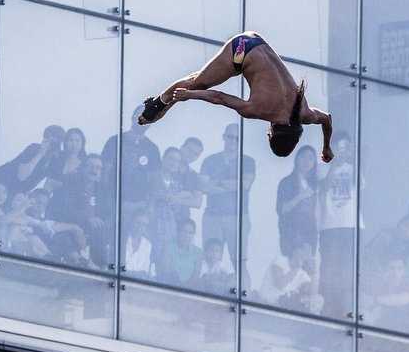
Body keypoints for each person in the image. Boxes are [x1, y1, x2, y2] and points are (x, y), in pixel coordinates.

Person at [138, 31, 334, 162]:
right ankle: (159, 102)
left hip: (255, 40)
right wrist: (190, 95)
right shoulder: (257, 110)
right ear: (272, 133)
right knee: (198, 83)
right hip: (240, 52)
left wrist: (326, 147)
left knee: (199, 81)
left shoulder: (305, 113)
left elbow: (327, 119)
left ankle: (164, 104)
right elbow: (219, 97)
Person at [200, 123, 255, 274]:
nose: (233, 141)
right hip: (213, 217)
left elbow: (245, 184)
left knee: (239, 262)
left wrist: (217, 182)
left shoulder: (248, 161)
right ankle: (207, 291)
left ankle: (245, 292)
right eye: (230, 137)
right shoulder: (210, 160)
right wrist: (232, 184)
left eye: (237, 138)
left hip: (237, 218)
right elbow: (204, 187)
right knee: (209, 259)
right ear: (224, 137)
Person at [47, 154, 111, 268]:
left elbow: (105, 214)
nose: (94, 171)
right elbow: (63, 211)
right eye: (90, 166)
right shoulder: (69, 184)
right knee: (66, 244)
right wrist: (87, 219)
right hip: (67, 229)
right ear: (82, 168)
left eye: (98, 168)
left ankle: (101, 268)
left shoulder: (102, 191)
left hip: (91, 233)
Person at [316, 131, 355, 317]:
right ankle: (327, 303)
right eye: (339, 148)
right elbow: (323, 188)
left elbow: (360, 185)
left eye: (346, 148)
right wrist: (334, 166)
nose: (343, 152)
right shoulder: (323, 167)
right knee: (329, 265)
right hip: (330, 224)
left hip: (350, 224)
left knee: (347, 266)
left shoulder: (354, 168)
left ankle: (344, 305)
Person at [100, 106, 161, 223]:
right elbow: (104, 173)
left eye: (149, 116)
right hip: (115, 204)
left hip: (140, 208)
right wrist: (108, 201)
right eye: (140, 114)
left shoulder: (152, 149)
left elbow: (155, 182)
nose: (144, 118)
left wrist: (148, 206)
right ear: (132, 117)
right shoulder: (115, 141)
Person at [149, 146, 202, 259]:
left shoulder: (176, 184)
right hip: (152, 225)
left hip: (170, 229)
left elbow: (190, 200)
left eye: (177, 161)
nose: (174, 163)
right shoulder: (151, 177)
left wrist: (177, 198)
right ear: (163, 159)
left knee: (165, 262)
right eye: (171, 159)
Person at [0, 125, 64, 199]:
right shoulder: (34, 148)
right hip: (1, 180)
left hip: (17, 191)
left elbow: (50, 183)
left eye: (55, 143)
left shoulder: (55, 160)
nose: (51, 145)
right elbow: (22, 176)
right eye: (48, 139)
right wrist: (40, 153)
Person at [276, 145, 318, 257]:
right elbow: (282, 209)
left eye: (310, 158)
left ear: (314, 163)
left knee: (308, 271)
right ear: (297, 159)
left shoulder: (315, 183)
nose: (306, 161)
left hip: (310, 233)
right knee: (293, 271)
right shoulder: (286, 182)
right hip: (292, 233)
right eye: (303, 157)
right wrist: (301, 196)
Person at [155, 217, 202, 287]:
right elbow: (165, 271)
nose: (187, 235)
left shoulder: (198, 252)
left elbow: (195, 277)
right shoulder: (168, 247)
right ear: (178, 232)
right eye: (184, 231)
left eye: (190, 233)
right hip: (168, 287)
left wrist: (185, 287)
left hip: (188, 290)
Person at [45, 127, 86, 192]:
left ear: (82, 143)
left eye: (77, 141)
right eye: (71, 140)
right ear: (65, 142)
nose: (74, 144)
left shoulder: (85, 163)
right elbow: (48, 182)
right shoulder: (57, 159)